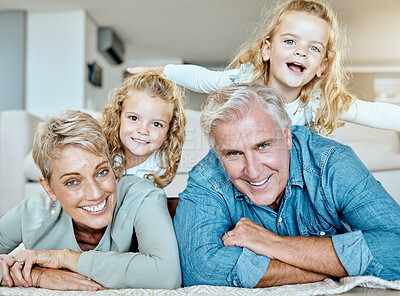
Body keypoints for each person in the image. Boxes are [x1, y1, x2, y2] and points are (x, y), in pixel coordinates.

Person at [173, 83, 400, 288]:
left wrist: (272, 244)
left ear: (287, 136)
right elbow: (201, 270)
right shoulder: (206, 178)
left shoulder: (331, 162)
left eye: (263, 146)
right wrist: (326, 265)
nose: (253, 171)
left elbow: (396, 247)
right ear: (218, 155)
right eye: (233, 153)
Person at [127, 0, 400, 134]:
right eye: (291, 41)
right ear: (267, 49)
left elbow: (374, 113)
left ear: (322, 67)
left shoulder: (318, 102)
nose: (301, 51)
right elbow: (202, 78)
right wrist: (158, 69)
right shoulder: (245, 81)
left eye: (314, 48)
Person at [0, 110, 181, 290]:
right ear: (49, 188)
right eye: (73, 182)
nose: (95, 193)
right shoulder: (33, 212)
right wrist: (36, 275)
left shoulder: (141, 196)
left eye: (102, 172)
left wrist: (66, 258)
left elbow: (166, 274)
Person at [101, 71, 186, 188]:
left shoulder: (160, 169)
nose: (143, 130)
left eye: (156, 124)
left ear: (169, 131)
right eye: (134, 118)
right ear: (118, 116)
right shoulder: (103, 144)